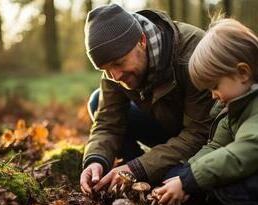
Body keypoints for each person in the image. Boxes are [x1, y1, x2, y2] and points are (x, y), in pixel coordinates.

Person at [80, 3, 215, 194]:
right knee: (97, 101)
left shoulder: (193, 55)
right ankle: (135, 179)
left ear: (141, 40)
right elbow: (108, 122)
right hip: (165, 127)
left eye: (119, 63)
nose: (115, 76)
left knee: (178, 178)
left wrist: (138, 169)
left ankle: (146, 172)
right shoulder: (114, 66)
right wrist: (95, 160)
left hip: (201, 140)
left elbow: (200, 133)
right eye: (105, 69)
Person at [155, 18, 258, 205]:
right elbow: (217, 145)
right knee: (176, 173)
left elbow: (246, 150)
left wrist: (189, 181)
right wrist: (185, 173)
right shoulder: (234, 106)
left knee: (229, 189)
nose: (213, 95)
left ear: (242, 73)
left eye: (215, 86)